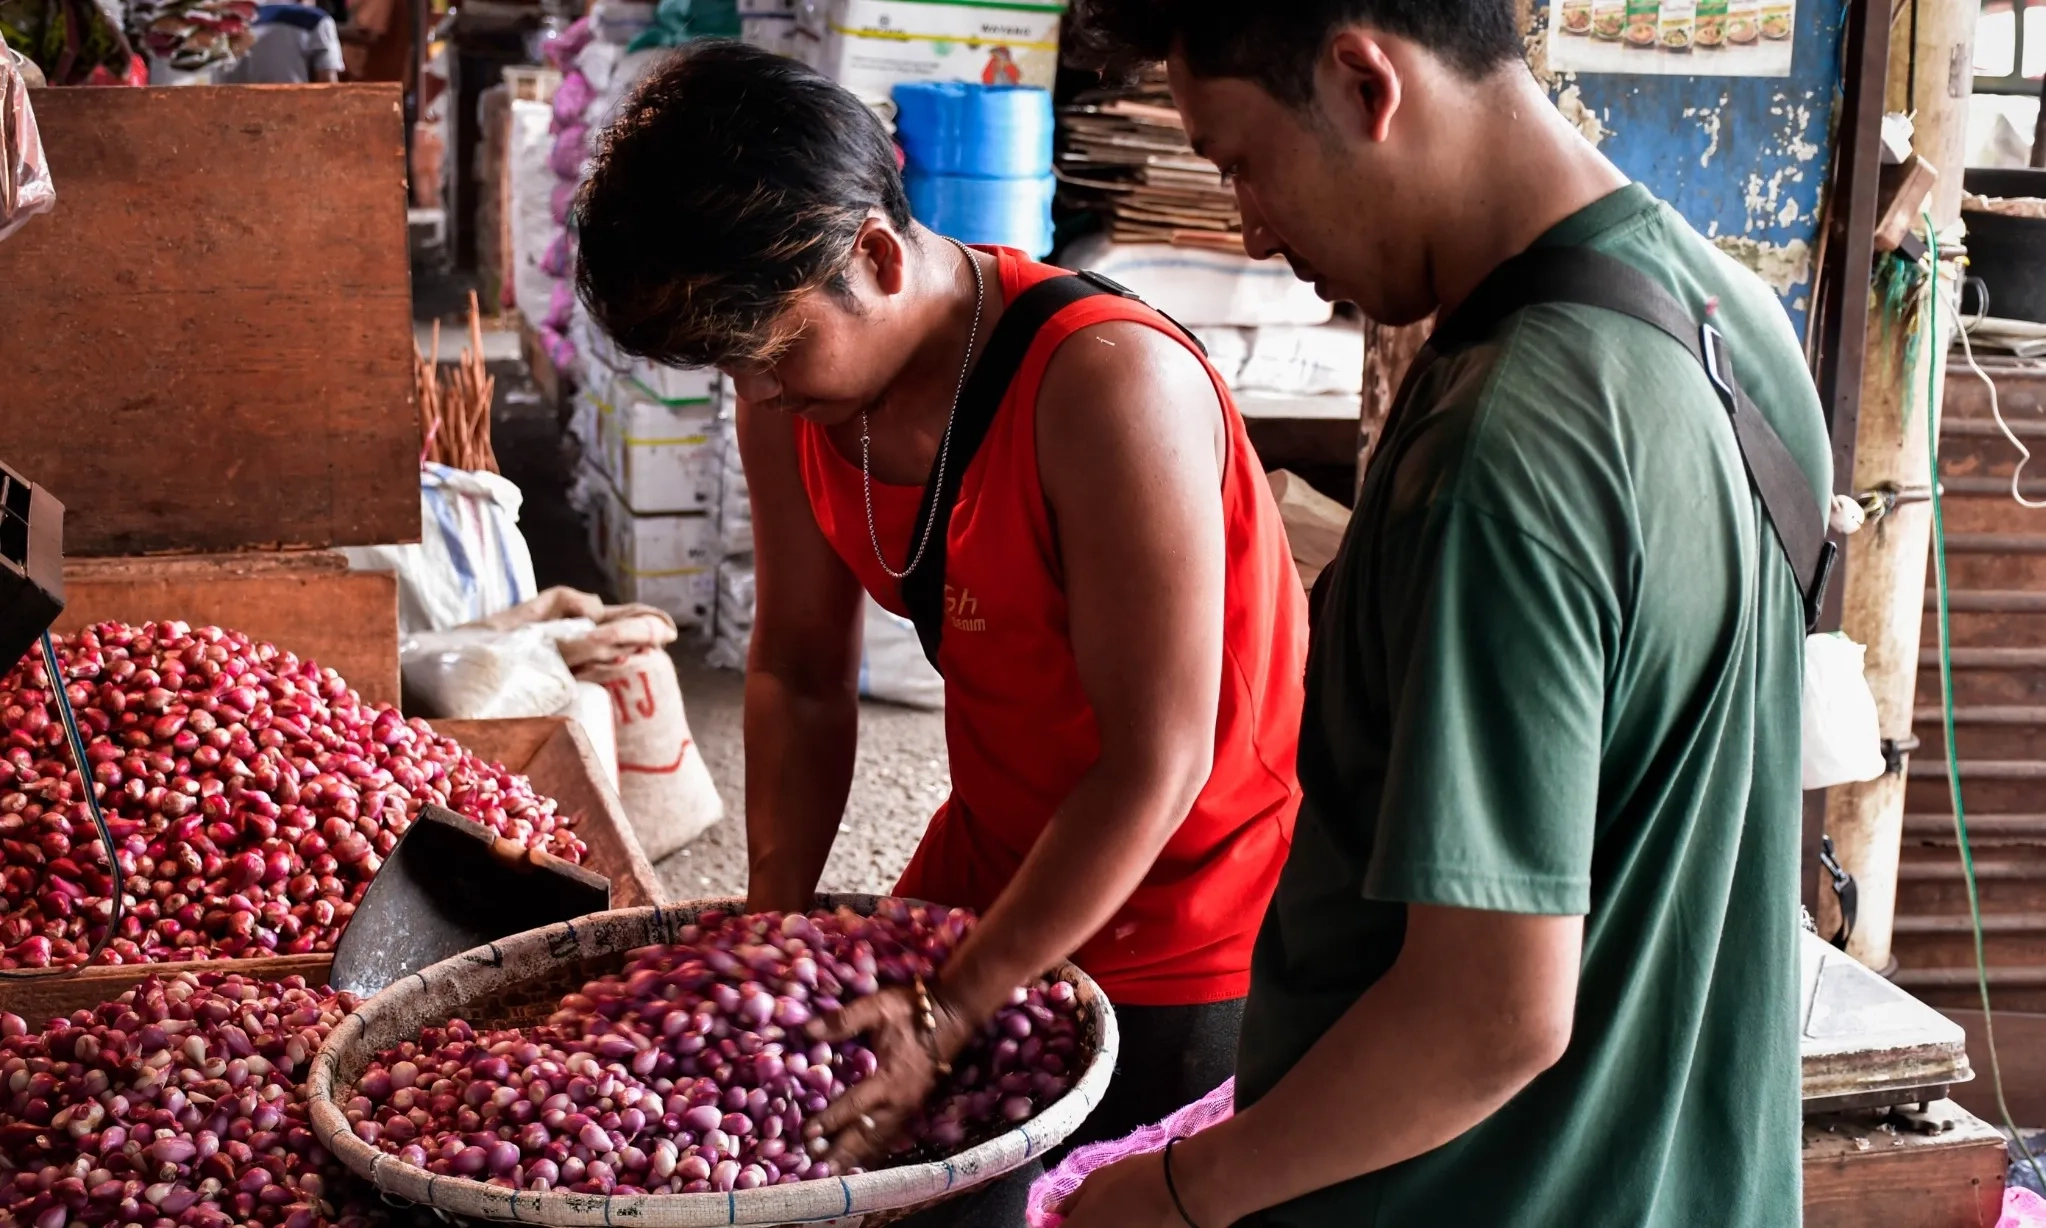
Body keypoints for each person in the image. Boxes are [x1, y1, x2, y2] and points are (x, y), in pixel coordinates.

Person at [1055, 2, 1828, 1226]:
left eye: (1243, 165)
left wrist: (1180, 1190)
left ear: (1366, 81)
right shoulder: (1737, 318)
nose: (1251, 231)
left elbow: (1490, 1013)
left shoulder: (1503, 451)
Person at [574, 39, 1307, 1220]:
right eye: (728, 363)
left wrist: (952, 1008)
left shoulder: (1107, 388)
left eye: (766, 351)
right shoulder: (798, 396)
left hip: (1186, 909)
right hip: (993, 860)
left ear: (871, 252)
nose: (752, 395)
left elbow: (1156, 767)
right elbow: (802, 672)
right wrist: (774, 917)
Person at [219, 0, 342, 83]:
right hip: (294, 114)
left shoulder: (226, 16)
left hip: (231, 113)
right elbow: (328, 86)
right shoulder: (316, 20)